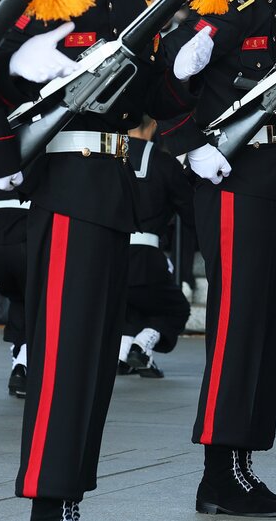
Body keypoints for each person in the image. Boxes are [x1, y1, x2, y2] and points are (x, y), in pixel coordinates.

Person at [0, 0, 167, 521]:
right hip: (62, 188)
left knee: (95, 361)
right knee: (62, 357)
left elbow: (157, 100)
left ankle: (69, 495)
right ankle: (49, 504)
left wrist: (182, 52)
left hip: (112, 188)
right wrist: (0, 169)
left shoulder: (130, 5)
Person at [159, 0, 276, 517]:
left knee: (266, 329)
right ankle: (218, 473)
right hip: (232, 180)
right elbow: (165, 74)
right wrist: (189, 144)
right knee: (236, 324)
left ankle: (244, 464)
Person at [116, 116, 195, 379]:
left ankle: (126, 353)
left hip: (110, 254)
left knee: (131, 304)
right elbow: (189, 210)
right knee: (176, 308)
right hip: (146, 256)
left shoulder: (107, 160)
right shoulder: (163, 164)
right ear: (152, 125)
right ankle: (142, 343)